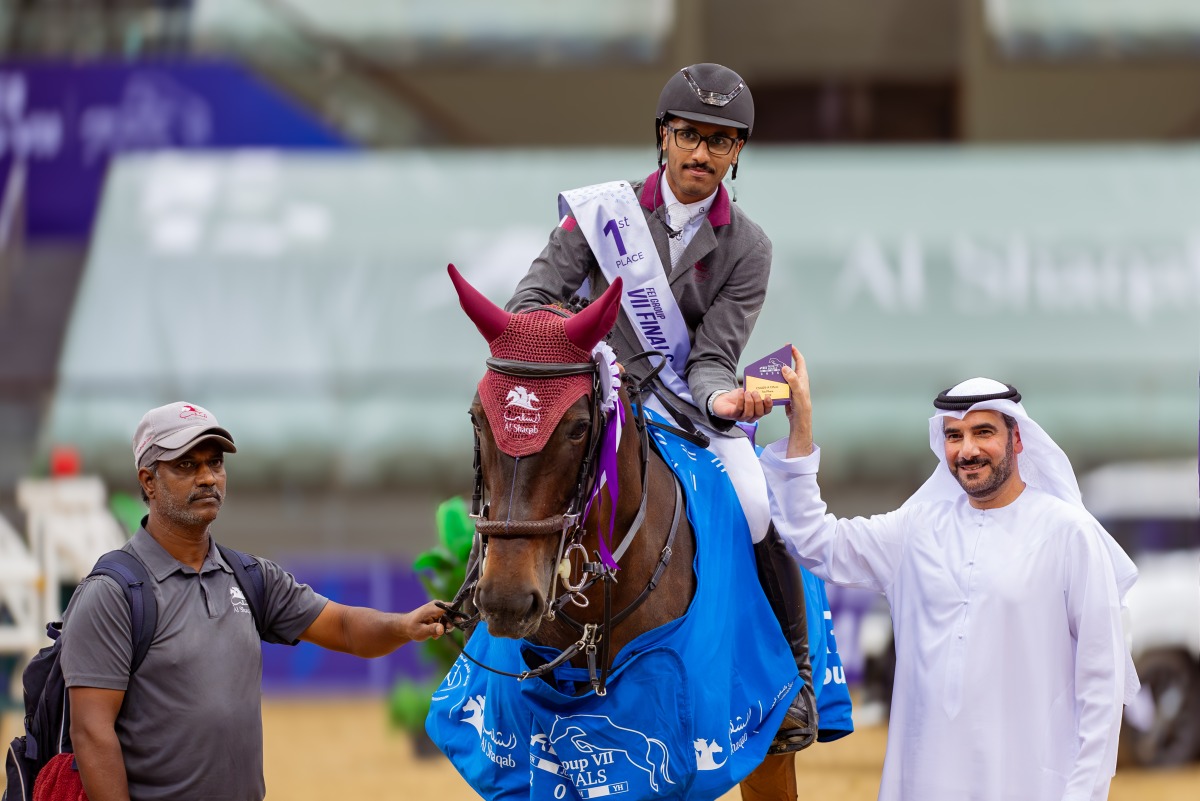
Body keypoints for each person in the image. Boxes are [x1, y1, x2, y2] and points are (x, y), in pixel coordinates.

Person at [505, 62, 816, 752]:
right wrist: (577, 347)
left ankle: (793, 676)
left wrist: (723, 398)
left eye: (720, 140)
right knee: (521, 469)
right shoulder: (599, 215)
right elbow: (530, 302)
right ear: (664, 137)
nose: (702, 152)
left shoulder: (749, 247)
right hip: (595, 395)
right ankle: (488, 612)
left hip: (686, 405)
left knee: (756, 503)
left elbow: (711, 356)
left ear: (737, 152)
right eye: (689, 135)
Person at [761, 348, 1140, 801]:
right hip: (922, 782)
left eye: (984, 432)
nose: (968, 450)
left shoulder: (1069, 533)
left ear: (1018, 440)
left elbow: (1101, 679)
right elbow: (814, 540)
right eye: (954, 436)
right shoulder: (916, 529)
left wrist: (1084, 794)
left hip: (1030, 784)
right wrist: (801, 427)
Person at [61, 402, 448, 801]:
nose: (207, 477)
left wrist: (404, 625)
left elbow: (345, 628)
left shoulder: (251, 577)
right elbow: (91, 732)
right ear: (148, 481)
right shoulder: (112, 594)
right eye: (186, 465)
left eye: (215, 463)